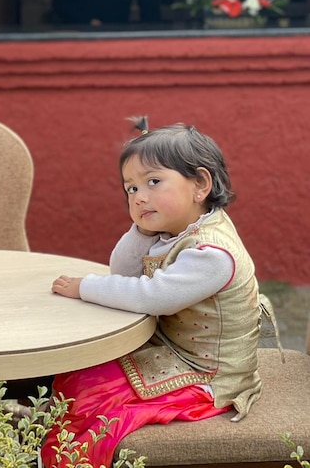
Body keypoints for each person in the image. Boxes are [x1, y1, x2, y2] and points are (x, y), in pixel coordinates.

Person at [43, 117, 262, 468]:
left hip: (210, 376)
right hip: (173, 351)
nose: (140, 196)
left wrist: (84, 287)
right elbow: (123, 269)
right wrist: (142, 228)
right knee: (79, 375)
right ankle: (52, 448)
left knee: (95, 401)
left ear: (200, 184)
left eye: (153, 182)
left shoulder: (212, 255)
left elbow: (150, 295)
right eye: (130, 189)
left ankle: (72, 458)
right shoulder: (177, 230)